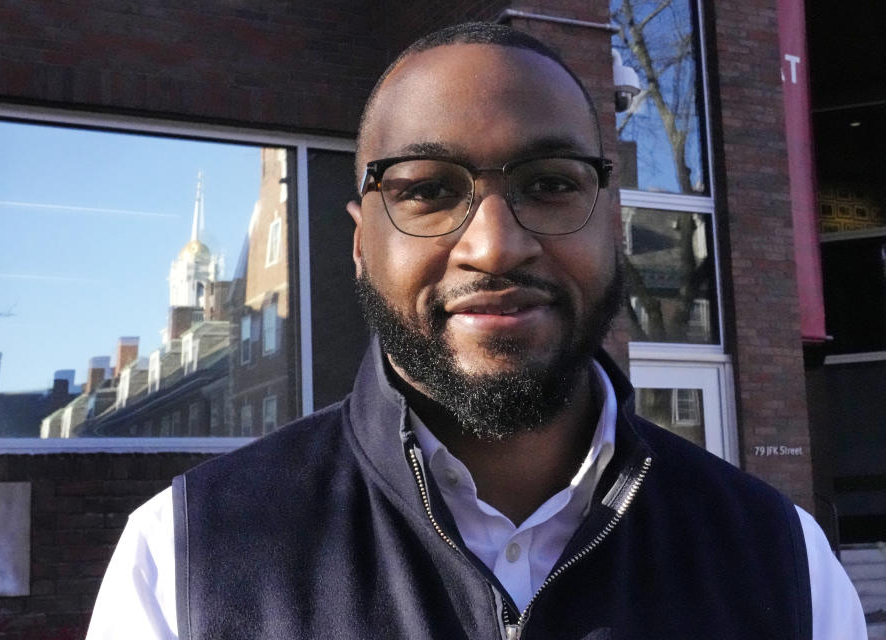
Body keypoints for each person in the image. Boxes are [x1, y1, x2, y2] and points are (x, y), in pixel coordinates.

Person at [87, 22, 866, 640]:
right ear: (361, 244)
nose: (494, 245)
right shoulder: (187, 559)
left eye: (551, 184)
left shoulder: (783, 562)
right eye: (427, 190)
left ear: (613, 224)